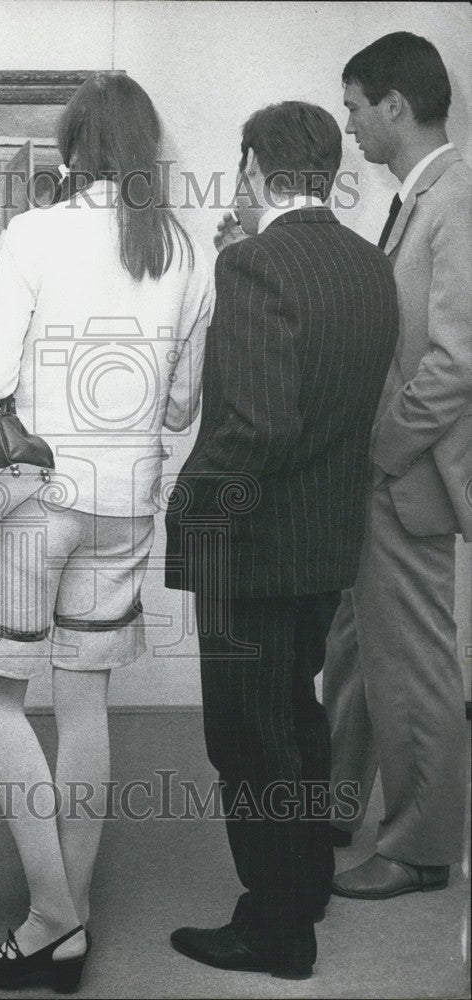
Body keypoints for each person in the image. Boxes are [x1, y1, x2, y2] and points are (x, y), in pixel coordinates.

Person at [0, 71, 212, 991]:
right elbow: (182, 404)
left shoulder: (35, 232)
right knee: (86, 706)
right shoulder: (180, 248)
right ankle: (71, 924)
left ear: (73, 149)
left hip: (35, 498)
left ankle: (50, 913)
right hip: (126, 497)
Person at [164, 101, 399, 978]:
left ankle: (276, 932)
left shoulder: (255, 265)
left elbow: (256, 427)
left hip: (256, 550)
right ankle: (304, 890)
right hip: (327, 541)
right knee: (294, 721)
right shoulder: (367, 263)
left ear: (256, 166)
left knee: (247, 740)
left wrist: (189, 508)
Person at [323, 32, 471, 899]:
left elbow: (455, 361)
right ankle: (336, 804)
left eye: (354, 108)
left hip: (408, 476)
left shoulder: (454, 199)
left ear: (395, 107)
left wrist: (380, 453)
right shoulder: (421, 197)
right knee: (355, 648)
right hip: (385, 474)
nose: (349, 127)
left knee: (412, 663)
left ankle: (419, 848)